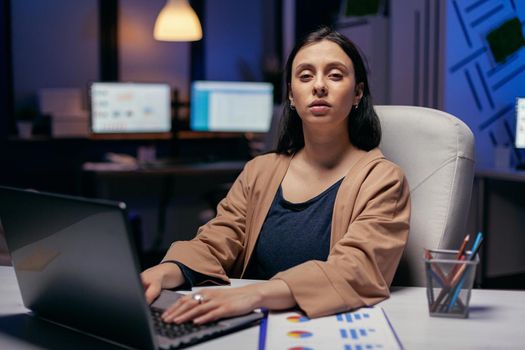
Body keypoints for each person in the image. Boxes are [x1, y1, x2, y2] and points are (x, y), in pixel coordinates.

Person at [141, 26, 411, 325]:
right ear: (291, 96)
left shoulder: (383, 179)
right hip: (243, 324)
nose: (319, 86)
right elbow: (217, 240)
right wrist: (166, 270)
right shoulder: (260, 170)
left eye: (335, 75)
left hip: (322, 326)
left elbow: (357, 269)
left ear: (358, 92)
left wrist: (256, 295)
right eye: (305, 76)